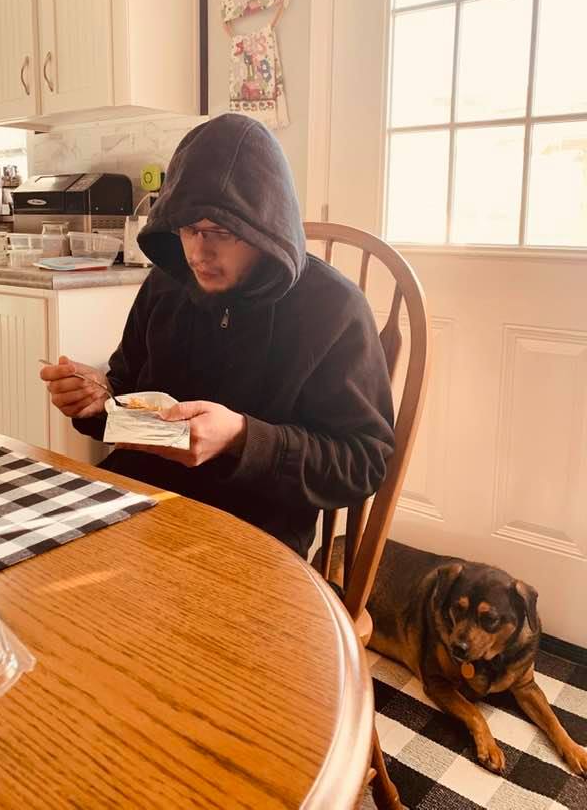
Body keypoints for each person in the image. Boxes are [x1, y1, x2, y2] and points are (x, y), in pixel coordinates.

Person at [41, 113, 394, 558]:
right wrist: (96, 402)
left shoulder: (334, 309)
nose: (197, 252)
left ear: (264, 232)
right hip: (142, 504)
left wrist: (243, 438)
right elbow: (127, 393)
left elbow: (364, 462)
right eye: (188, 229)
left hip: (252, 532)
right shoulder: (166, 283)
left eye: (220, 233)